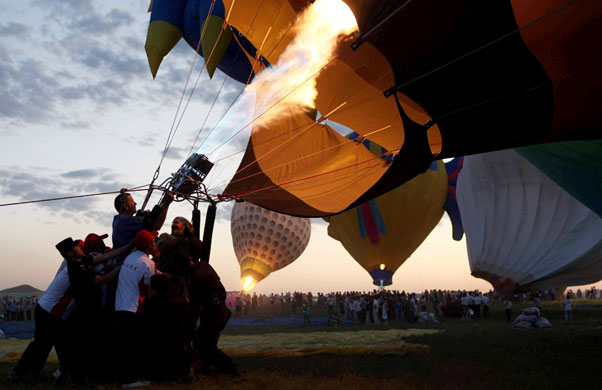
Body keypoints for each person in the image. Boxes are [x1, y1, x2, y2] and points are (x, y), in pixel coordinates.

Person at [8, 238, 80, 382]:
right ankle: (20, 372)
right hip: (50, 311)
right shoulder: (75, 265)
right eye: (78, 247)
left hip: (48, 308)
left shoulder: (69, 262)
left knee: (51, 343)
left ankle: (33, 372)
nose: (80, 249)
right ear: (71, 252)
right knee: (43, 344)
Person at [114, 230, 161, 387]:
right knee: (135, 345)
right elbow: (149, 289)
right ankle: (131, 380)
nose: (156, 243)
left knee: (125, 345)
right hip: (134, 308)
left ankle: (124, 377)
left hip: (120, 306)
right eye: (154, 241)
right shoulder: (148, 264)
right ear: (148, 245)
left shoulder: (130, 258)